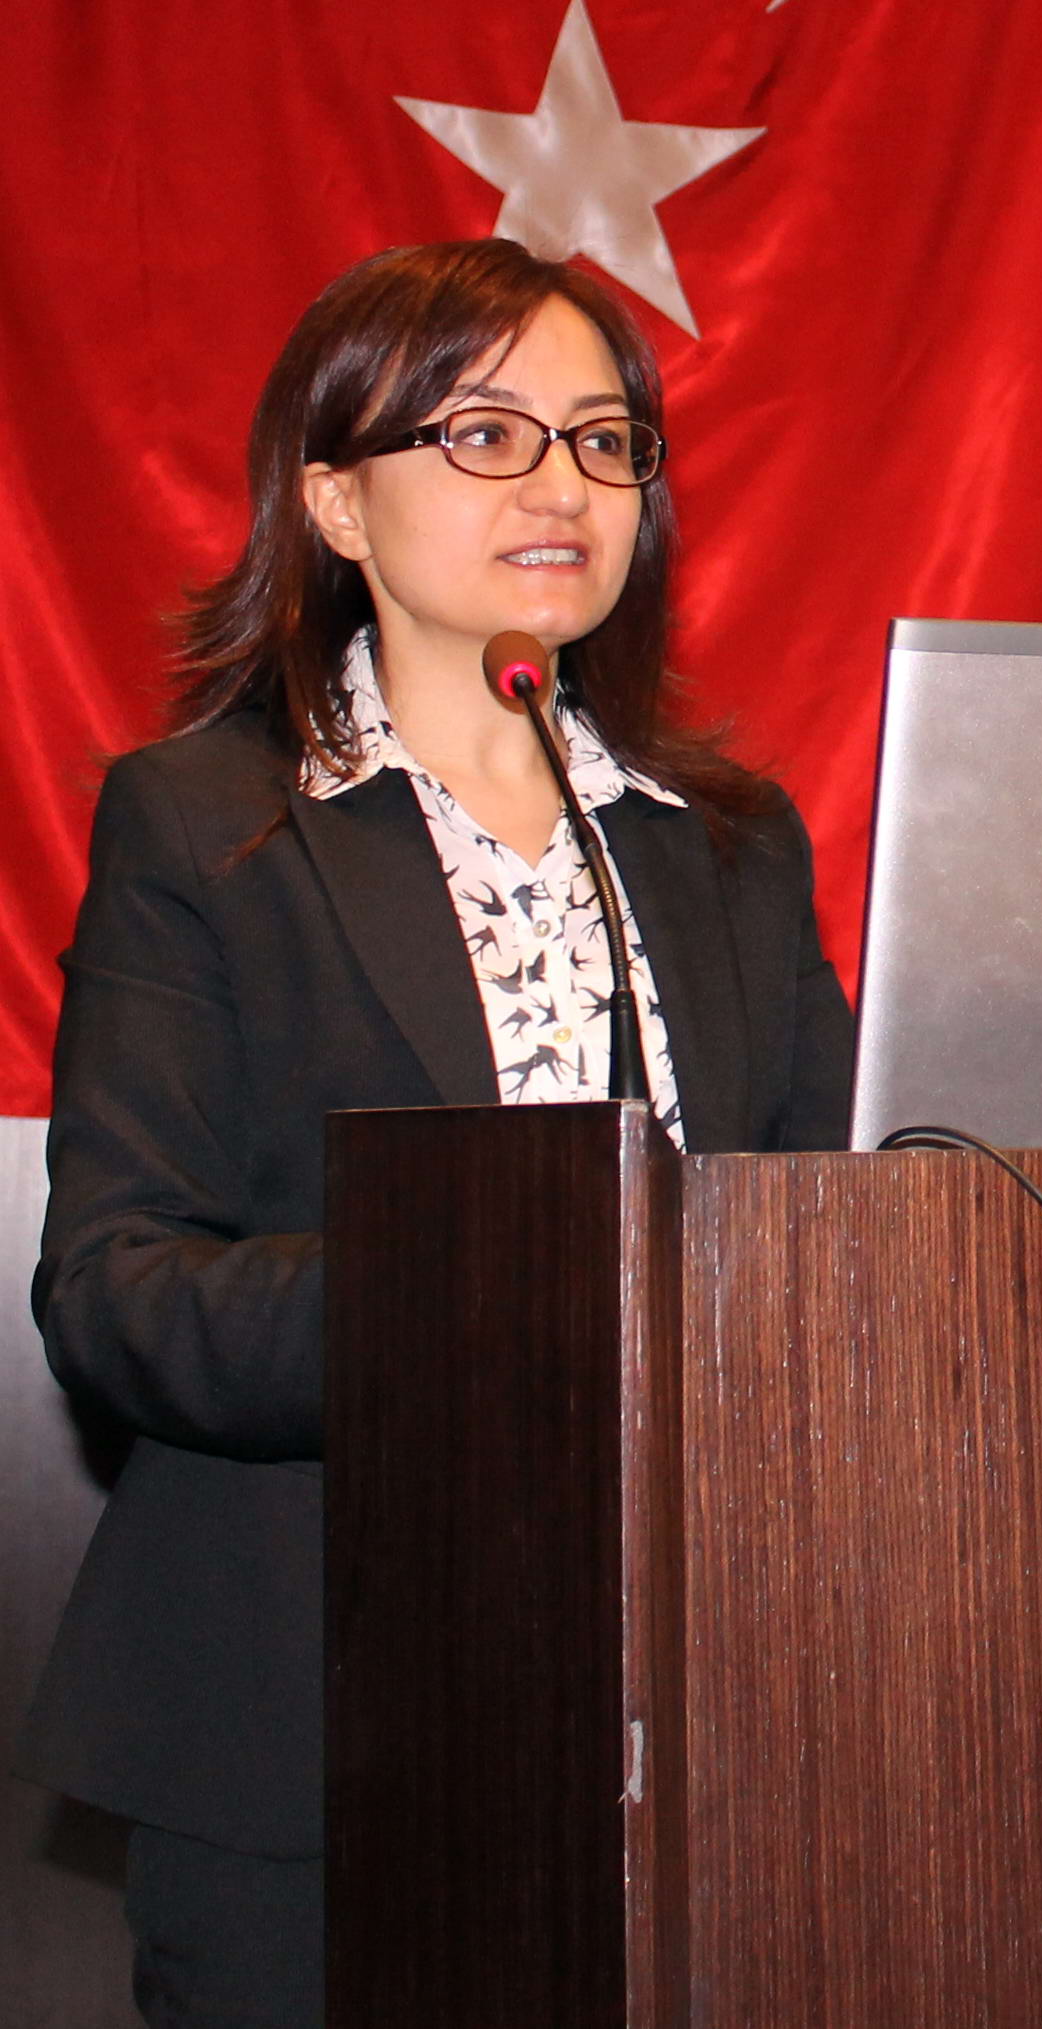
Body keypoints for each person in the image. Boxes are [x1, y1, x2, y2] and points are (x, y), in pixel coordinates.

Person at [16, 238, 855, 2027]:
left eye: (604, 439)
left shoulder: (725, 843)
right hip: (314, 1724)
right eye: (484, 435)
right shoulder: (209, 825)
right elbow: (117, 1289)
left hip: (711, 1713)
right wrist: (485, 1279)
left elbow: (830, 1229)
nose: (562, 486)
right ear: (335, 500)